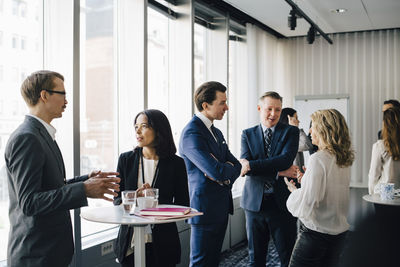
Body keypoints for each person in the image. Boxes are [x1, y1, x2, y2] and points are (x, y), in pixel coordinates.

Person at [5, 70, 120, 267]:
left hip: (49, 253)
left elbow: (49, 186)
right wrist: (84, 189)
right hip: (36, 256)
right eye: (62, 94)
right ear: (44, 95)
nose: (66, 101)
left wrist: (84, 181)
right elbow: (29, 202)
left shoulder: (41, 134)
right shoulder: (27, 138)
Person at [113, 109, 189, 267]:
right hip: (130, 240)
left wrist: (154, 201)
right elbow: (117, 200)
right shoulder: (126, 159)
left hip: (163, 240)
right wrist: (134, 197)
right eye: (136, 127)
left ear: (159, 129)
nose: (138, 131)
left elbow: (183, 203)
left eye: (144, 126)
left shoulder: (176, 164)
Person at [179, 81, 241, 267]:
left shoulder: (217, 133)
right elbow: (218, 171)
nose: (227, 107)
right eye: (222, 102)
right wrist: (222, 170)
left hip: (220, 208)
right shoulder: (192, 133)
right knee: (201, 263)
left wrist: (223, 171)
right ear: (205, 105)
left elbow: (236, 165)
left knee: (213, 261)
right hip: (204, 211)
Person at [285, 109, 354, 267]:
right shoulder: (344, 159)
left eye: (313, 126)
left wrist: (294, 191)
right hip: (338, 235)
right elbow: (329, 191)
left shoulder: (318, 158)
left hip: (315, 236)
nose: (309, 131)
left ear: (324, 130)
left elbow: (309, 204)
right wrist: (308, 181)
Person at [240, 91, 300, 267]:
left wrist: (252, 165)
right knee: (255, 259)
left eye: (278, 110)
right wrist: (279, 173)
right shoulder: (247, 134)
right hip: (254, 206)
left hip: (281, 205)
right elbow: (246, 171)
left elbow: (285, 160)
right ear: (259, 108)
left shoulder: (291, 132)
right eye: (269, 109)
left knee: (287, 257)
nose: (273, 114)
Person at [368, 107, 400, 195]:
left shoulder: (379, 146)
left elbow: (374, 174)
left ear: (385, 124)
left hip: (383, 194)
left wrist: (371, 193)